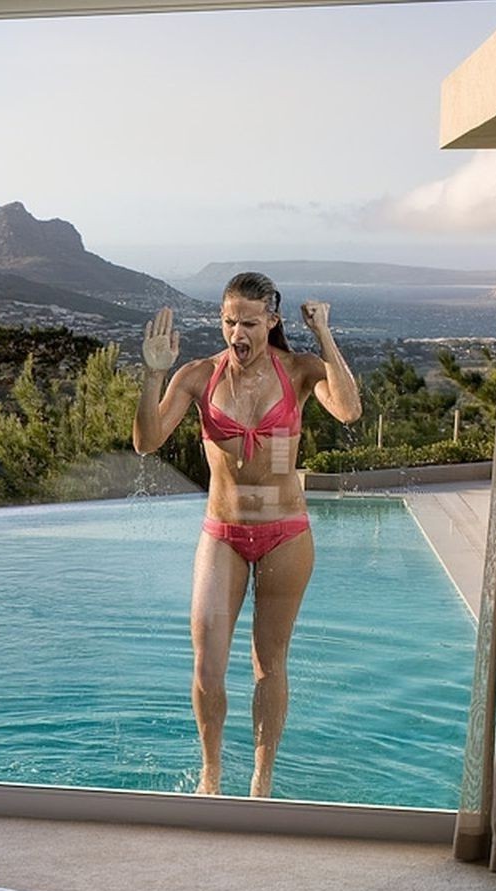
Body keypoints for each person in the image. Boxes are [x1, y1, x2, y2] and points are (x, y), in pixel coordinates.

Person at [131, 271, 361, 797]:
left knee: (268, 664)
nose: (238, 332)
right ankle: (210, 777)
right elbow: (146, 442)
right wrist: (152, 375)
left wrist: (323, 334)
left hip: (285, 533)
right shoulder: (195, 376)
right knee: (207, 665)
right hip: (224, 532)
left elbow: (349, 410)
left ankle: (261, 782)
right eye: (230, 321)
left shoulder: (300, 371)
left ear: (272, 322)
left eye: (250, 323)